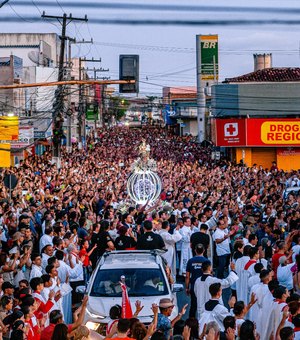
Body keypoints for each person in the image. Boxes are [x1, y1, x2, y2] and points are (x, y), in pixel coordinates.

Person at [185, 243, 207, 318]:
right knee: (204, 304)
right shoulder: (206, 261)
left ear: (195, 250)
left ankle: (191, 323)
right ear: (204, 250)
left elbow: (187, 276)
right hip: (204, 286)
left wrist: (187, 287)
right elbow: (210, 275)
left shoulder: (190, 261)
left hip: (194, 286)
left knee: (193, 305)